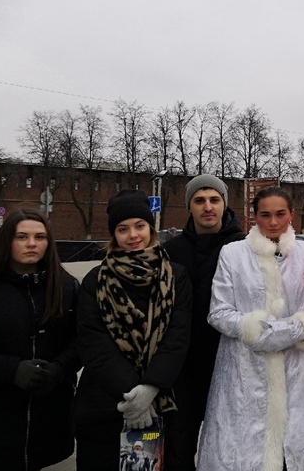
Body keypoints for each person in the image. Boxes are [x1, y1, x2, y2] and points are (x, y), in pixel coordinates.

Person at [198, 185, 304, 470]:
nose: (273, 222)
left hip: (295, 368)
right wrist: (255, 330)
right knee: (243, 449)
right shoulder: (232, 254)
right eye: (265, 215)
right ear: (253, 217)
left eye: (280, 214)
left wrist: (289, 331)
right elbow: (219, 311)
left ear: (291, 215)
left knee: (295, 446)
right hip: (242, 370)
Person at [74, 189, 192, 468]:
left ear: (150, 229)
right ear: (114, 234)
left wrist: (151, 388)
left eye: (140, 226)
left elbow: (178, 336)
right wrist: (133, 395)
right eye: (123, 229)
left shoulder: (176, 275)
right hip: (106, 403)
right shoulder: (96, 280)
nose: (133, 235)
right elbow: (93, 343)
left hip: (162, 400)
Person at [0, 209, 80, 469]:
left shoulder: (66, 286)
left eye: (40, 237)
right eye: (22, 237)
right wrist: (12, 370)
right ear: (7, 240)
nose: (31, 244)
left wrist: (59, 370)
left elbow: (81, 341)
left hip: (48, 414)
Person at [162, 174, 245, 469]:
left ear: (224, 204)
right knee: (178, 440)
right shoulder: (172, 251)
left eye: (214, 200)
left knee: (229, 442)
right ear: (189, 207)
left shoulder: (243, 247)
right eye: (199, 200)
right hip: (183, 365)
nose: (207, 207)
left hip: (230, 361)